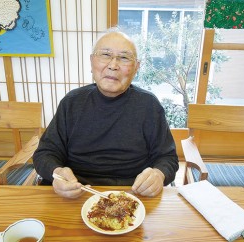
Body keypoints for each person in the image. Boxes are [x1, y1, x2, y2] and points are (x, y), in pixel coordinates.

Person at [33, 29, 179, 198]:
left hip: (133, 194)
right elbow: (45, 153)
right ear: (92, 61)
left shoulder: (149, 105)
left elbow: (167, 157)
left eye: (124, 58)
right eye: (105, 55)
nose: (113, 65)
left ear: (136, 67)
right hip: (76, 192)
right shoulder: (72, 102)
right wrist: (57, 173)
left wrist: (158, 175)